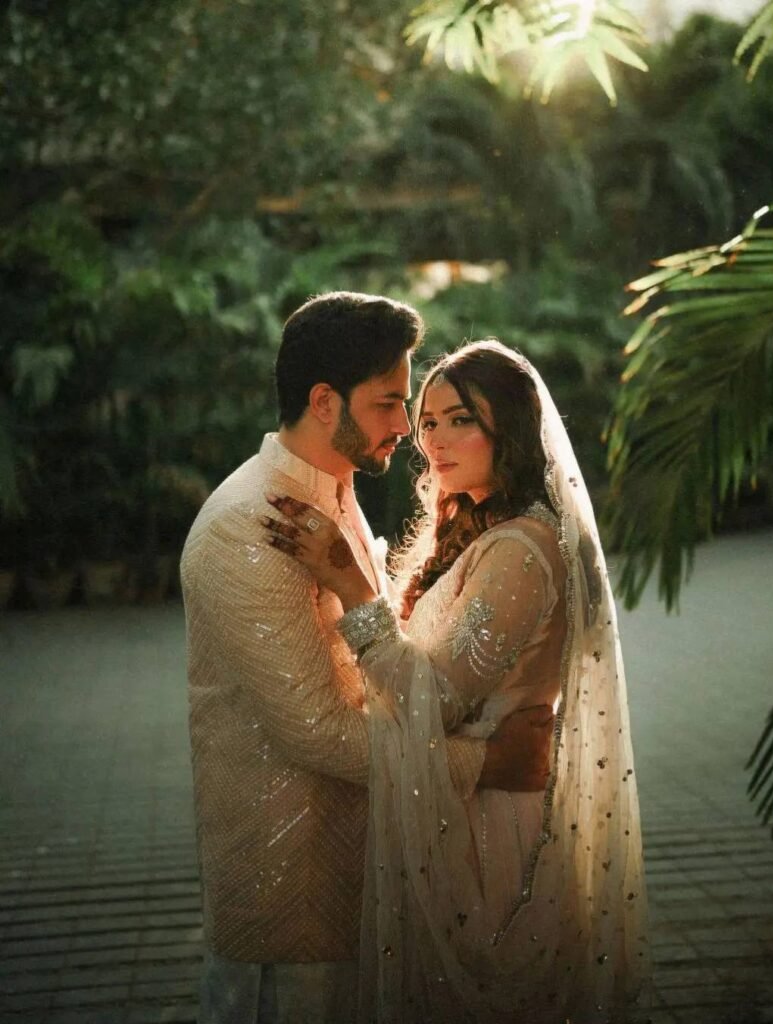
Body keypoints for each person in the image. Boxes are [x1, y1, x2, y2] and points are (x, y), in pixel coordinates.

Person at [180, 294, 553, 1024]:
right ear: (325, 402)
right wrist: (486, 764)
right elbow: (318, 733)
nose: (408, 427)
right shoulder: (250, 527)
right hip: (291, 894)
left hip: (368, 875)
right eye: (389, 403)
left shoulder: (332, 495)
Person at [266, 338, 651, 1023]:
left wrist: (353, 589)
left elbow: (438, 701)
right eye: (429, 422)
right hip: (460, 803)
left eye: (460, 420)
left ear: (511, 428)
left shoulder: (522, 550)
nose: (435, 440)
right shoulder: (482, 527)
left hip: (492, 827)